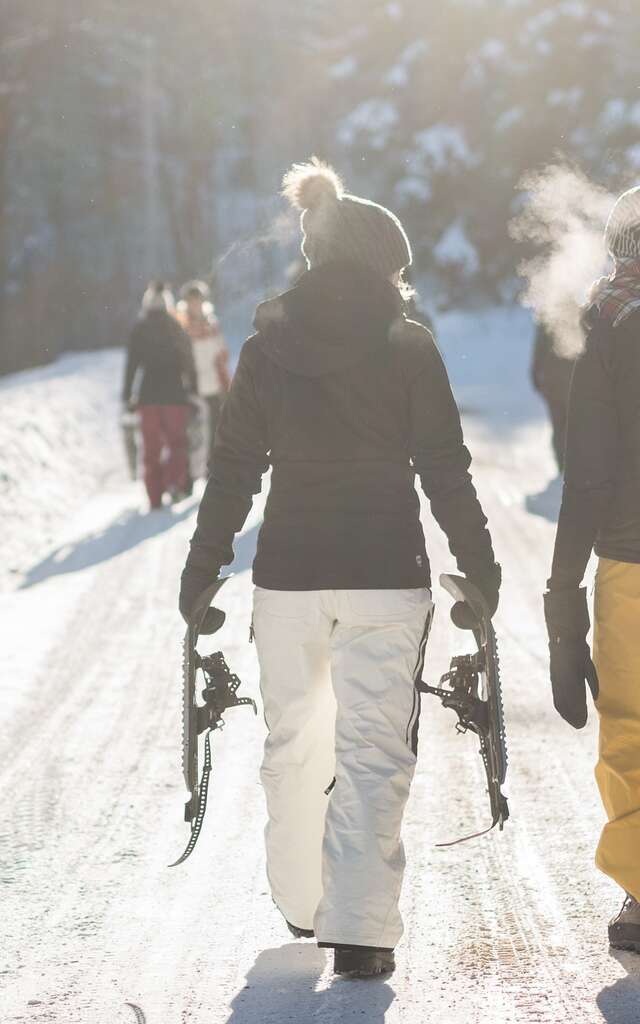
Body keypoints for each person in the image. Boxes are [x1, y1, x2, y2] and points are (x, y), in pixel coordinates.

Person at [179, 158, 500, 977]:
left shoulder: (266, 345)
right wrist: (481, 567)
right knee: (372, 749)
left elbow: (234, 467)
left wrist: (203, 567)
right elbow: (445, 467)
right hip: (388, 575)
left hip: (288, 575)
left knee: (292, 743)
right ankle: (358, 931)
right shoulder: (409, 345)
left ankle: (301, 902)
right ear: (383, 264)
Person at [544, 185, 640, 953]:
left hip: (632, 562)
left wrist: (561, 587)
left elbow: (591, 469)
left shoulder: (610, 323)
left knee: (633, 730)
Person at [122, 281, 197, 509]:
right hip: (175, 395)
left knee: (151, 447)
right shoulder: (176, 326)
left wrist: (128, 395)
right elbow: (188, 361)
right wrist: (193, 390)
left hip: (148, 397)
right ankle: (174, 483)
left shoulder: (139, 329)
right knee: (177, 443)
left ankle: (154, 496)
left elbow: (132, 365)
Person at [177, 280, 231, 467]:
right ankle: (191, 475)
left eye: (198, 300)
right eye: (191, 301)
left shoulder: (212, 323)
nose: (195, 304)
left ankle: (213, 468)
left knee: (216, 430)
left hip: (215, 384)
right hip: (193, 386)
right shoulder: (181, 326)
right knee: (194, 433)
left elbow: (223, 351)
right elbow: (181, 357)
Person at [531, 320, 577, 473]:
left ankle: (562, 464)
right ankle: (571, 464)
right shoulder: (580, 310)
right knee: (574, 426)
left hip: (554, 381)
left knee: (559, 426)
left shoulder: (549, 314)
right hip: (572, 381)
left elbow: (539, 348)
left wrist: (536, 374)